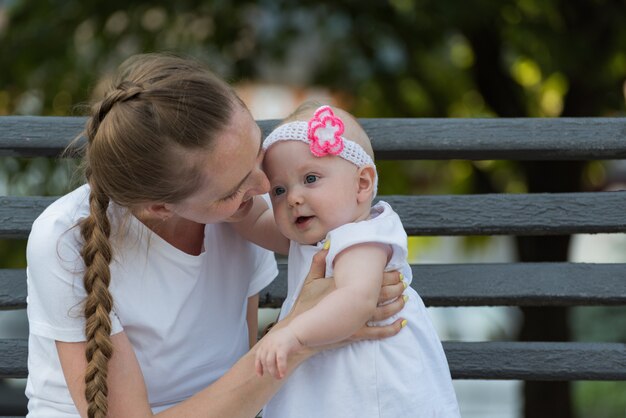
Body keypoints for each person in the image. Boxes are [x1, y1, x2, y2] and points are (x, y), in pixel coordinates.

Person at [25, 54, 407, 418]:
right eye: (232, 189)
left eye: (256, 154)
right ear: (160, 208)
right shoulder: (64, 239)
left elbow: (238, 365)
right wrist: (302, 333)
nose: (263, 188)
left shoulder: (244, 215)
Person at [233, 103, 461, 417]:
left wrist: (292, 333)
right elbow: (251, 220)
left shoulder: (363, 237)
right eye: (280, 190)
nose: (294, 198)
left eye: (310, 178)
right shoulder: (308, 237)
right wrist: (235, 186)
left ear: (362, 184)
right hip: (330, 376)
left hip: (371, 383)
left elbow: (357, 299)